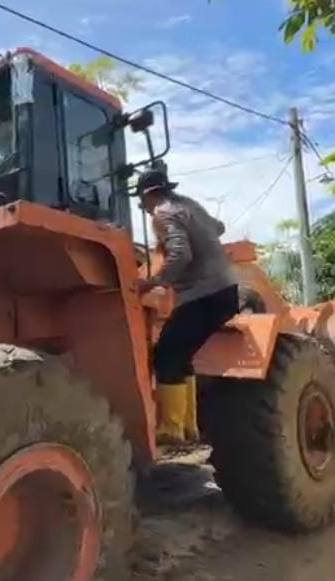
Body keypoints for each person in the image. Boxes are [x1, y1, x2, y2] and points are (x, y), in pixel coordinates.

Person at [135, 166, 239, 444]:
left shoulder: (163, 212)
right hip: (226, 291)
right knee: (181, 355)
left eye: (142, 204)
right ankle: (188, 427)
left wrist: (154, 282)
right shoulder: (190, 205)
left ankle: (171, 429)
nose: (145, 210)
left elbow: (181, 254)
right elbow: (218, 228)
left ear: (148, 196)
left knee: (166, 353)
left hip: (202, 293)